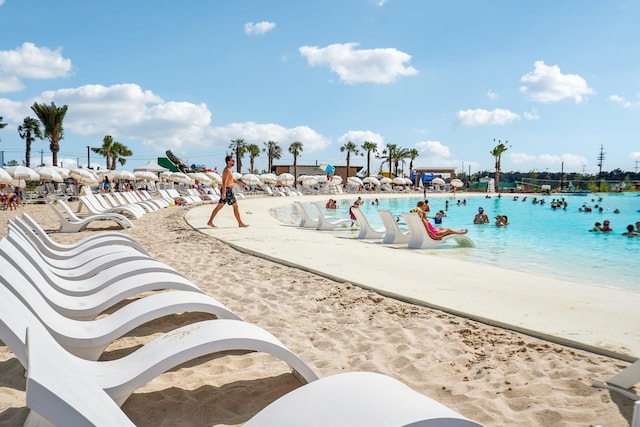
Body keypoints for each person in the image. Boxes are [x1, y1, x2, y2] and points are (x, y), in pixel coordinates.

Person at [207, 155, 248, 228]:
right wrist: (224, 192)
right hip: (227, 190)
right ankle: (240, 223)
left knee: (219, 206)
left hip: (227, 190)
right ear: (228, 161)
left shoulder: (229, 170)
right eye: (232, 160)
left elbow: (232, 180)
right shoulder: (227, 170)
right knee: (235, 206)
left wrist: (240, 183)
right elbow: (224, 182)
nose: (234, 161)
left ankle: (210, 221)